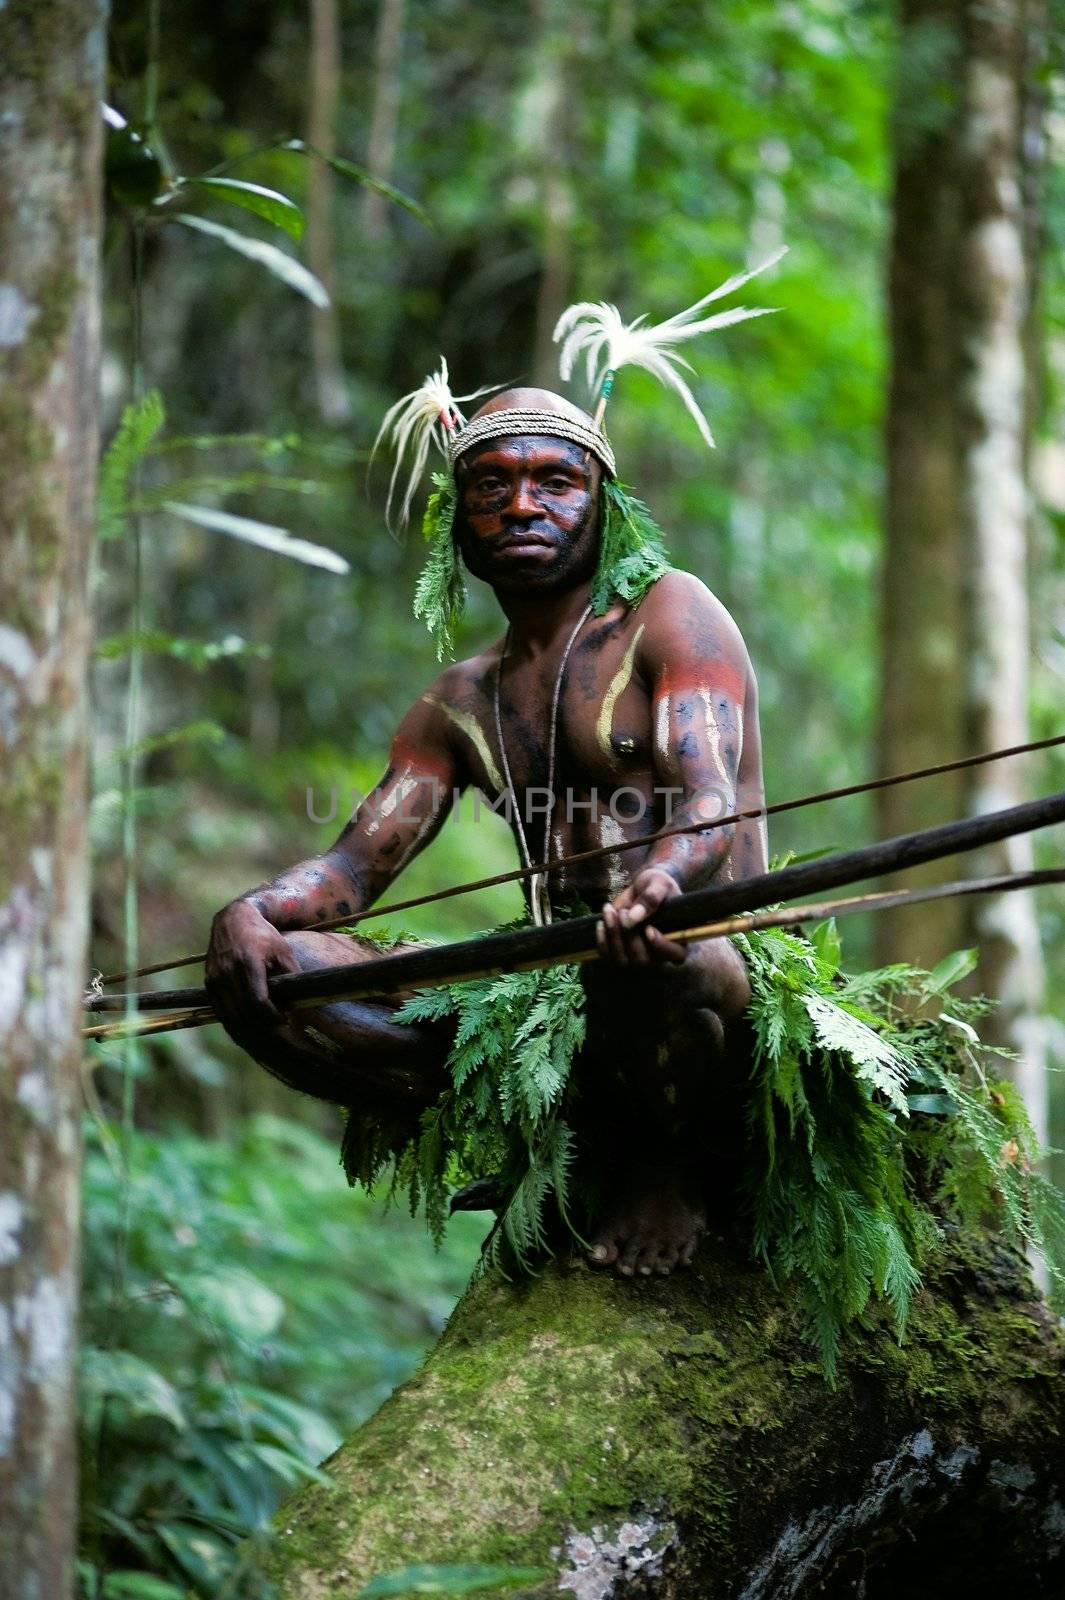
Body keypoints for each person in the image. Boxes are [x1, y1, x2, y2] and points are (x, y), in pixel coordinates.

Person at [206, 384, 766, 1278]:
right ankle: (543, 1125)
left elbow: (709, 804)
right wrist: (250, 913)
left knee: (646, 956)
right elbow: (350, 870)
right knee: (281, 974)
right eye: (490, 485)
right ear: (456, 522)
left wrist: (657, 887)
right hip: (548, 992)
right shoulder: (460, 700)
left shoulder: (670, 613)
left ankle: (667, 1167)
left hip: (701, 955)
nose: (519, 505)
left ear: (605, 505)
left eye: (555, 481)